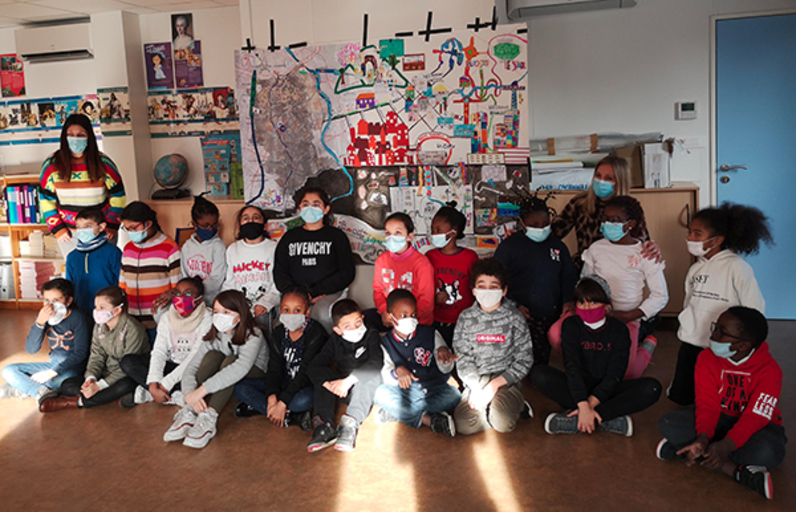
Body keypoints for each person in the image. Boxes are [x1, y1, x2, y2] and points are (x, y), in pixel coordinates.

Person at [657, 307, 785, 500]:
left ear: (742, 346)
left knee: (770, 451)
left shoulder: (770, 370)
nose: (713, 334)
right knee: (667, 422)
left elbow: (755, 417)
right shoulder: (706, 358)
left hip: (756, 426)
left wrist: (727, 445)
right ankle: (735, 471)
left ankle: (687, 451)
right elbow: (707, 404)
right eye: (715, 327)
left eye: (720, 332)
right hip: (718, 420)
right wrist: (702, 437)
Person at [532, 276, 661, 437]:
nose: (587, 307)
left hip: (608, 390)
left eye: (593, 302)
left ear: (606, 305)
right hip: (578, 388)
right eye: (581, 302)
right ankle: (605, 419)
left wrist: (589, 405)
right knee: (539, 374)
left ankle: (577, 420)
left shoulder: (619, 330)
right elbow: (572, 366)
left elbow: (615, 374)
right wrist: (583, 403)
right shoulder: (571, 325)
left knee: (652, 388)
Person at [668, 203, 771, 406]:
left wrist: (747, 342)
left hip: (721, 345)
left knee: (717, 395)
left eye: (697, 234)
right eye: (690, 233)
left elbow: (754, 309)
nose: (690, 239)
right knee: (682, 396)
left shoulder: (737, 267)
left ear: (717, 240)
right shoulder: (695, 269)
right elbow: (689, 302)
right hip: (691, 340)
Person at [577, 195, 668, 379]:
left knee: (628, 372)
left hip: (628, 318)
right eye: (606, 219)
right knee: (558, 335)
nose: (609, 223)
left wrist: (630, 316)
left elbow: (660, 295)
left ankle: (647, 345)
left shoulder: (644, 253)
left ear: (631, 224)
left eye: (616, 220)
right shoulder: (596, 249)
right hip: (595, 315)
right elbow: (585, 281)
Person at [163, 290, 268, 449]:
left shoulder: (253, 334)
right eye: (217, 312)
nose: (220, 316)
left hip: (255, 376)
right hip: (224, 375)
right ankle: (190, 412)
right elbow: (192, 366)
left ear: (239, 315)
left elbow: (240, 368)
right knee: (212, 356)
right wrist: (190, 395)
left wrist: (202, 390)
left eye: (226, 312)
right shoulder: (213, 334)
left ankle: (209, 417)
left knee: (231, 361)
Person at [452, 258, 534, 435]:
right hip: (477, 379)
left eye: (494, 286)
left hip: (505, 380)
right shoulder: (466, 318)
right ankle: (492, 409)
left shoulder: (515, 319)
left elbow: (524, 359)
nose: (487, 291)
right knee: (465, 426)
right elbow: (463, 356)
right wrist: (475, 388)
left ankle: (517, 404)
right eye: (481, 286)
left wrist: (494, 386)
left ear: (504, 291)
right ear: (473, 290)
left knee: (502, 423)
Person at [494, 193, 578, 365]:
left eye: (545, 224)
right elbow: (496, 279)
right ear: (521, 224)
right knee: (516, 358)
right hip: (519, 315)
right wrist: (512, 304)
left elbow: (568, 277)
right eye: (534, 225)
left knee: (540, 362)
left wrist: (567, 301)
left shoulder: (558, 246)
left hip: (549, 315)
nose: (541, 228)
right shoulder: (509, 247)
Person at [39, 286, 149, 412]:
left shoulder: (133, 329)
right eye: (96, 307)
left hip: (124, 375)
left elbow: (129, 366)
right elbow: (96, 356)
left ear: (117, 310)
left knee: (125, 385)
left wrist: (99, 386)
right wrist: (91, 379)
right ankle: (108, 396)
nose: (97, 311)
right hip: (105, 373)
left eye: (102, 308)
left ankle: (77, 401)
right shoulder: (99, 326)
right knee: (67, 385)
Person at [234, 285, 328, 431]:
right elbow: (274, 367)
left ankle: (269, 410)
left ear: (307, 312)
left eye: (297, 310)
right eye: (286, 310)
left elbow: (305, 372)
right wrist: (272, 396)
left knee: (305, 400)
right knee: (240, 387)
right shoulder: (279, 333)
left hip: (305, 385)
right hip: (284, 382)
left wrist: (283, 402)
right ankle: (289, 416)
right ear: (280, 311)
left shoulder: (316, 334)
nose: (291, 315)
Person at [373, 289, 461, 437]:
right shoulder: (385, 343)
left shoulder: (430, 333)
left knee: (454, 395)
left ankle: (397, 414)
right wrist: (398, 371)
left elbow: (446, 369)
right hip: (403, 393)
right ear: (389, 316)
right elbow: (386, 375)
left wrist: (444, 357)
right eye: (403, 315)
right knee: (380, 393)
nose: (410, 319)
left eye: (413, 315)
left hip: (431, 389)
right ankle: (428, 420)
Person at [39, 113, 126, 256]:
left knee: (104, 273)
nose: (75, 139)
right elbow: (46, 199)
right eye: (70, 134)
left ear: (89, 137)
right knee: (76, 275)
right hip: (69, 235)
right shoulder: (52, 165)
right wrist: (58, 229)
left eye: (80, 135)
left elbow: (119, 195)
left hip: (101, 232)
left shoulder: (103, 163)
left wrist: (112, 225)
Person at [119, 276, 212, 408]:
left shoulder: (207, 318)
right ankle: (169, 395)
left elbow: (195, 357)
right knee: (128, 362)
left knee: (204, 379)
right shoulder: (166, 317)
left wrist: (165, 385)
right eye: (177, 293)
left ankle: (158, 394)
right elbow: (159, 352)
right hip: (172, 365)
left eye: (188, 293)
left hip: (194, 370)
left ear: (199, 299)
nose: (181, 297)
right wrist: (153, 383)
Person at [551, 155, 656, 270]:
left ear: (620, 181)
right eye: (598, 176)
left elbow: (643, 243)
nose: (601, 181)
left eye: (608, 178)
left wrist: (652, 248)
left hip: (619, 270)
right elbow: (554, 232)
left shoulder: (631, 208)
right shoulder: (580, 203)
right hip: (585, 270)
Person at [274, 186, 355, 332]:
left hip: (329, 292)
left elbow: (347, 272)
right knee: (282, 322)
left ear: (325, 209)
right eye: (305, 204)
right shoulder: (289, 237)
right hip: (295, 294)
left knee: (322, 315)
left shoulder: (336, 236)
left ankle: (325, 354)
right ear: (299, 208)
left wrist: (317, 291)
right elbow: (280, 271)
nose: (310, 208)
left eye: (316, 204)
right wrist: (298, 294)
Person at [306, 299, 383, 452]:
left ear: (362, 318)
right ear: (338, 330)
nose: (354, 328)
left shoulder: (371, 334)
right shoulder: (335, 340)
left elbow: (376, 361)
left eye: (357, 323)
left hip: (366, 387)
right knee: (323, 376)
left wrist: (349, 381)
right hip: (342, 389)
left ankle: (349, 426)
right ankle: (324, 426)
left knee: (370, 375)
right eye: (347, 326)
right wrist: (329, 384)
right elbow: (314, 366)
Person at [0, 279, 90, 407]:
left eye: (56, 300)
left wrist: (52, 372)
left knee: (57, 381)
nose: (50, 305)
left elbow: (80, 354)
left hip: (71, 368)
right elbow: (31, 349)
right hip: (52, 363)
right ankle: (39, 391)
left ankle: (25, 387)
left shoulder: (78, 318)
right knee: (8, 370)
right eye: (46, 300)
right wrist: (40, 323)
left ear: (68, 301)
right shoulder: (44, 316)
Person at [119, 202, 181, 341]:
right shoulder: (128, 249)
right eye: (127, 229)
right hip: (132, 321)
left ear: (148, 223)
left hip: (158, 322)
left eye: (134, 228)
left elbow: (177, 287)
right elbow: (122, 284)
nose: (130, 232)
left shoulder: (170, 248)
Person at [154, 195, 226, 313]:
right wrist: (183, 293)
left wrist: (193, 292)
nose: (210, 229)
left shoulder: (218, 247)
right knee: (160, 311)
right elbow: (184, 274)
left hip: (209, 300)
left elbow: (217, 280)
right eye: (205, 225)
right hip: (187, 298)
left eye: (214, 226)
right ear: (194, 224)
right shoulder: (187, 246)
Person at [425, 202, 479, 346]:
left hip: (464, 321)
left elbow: (477, 287)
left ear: (453, 231)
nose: (434, 234)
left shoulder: (470, 257)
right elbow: (423, 288)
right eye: (432, 229)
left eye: (438, 230)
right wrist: (433, 299)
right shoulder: (429, 256)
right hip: (436, 320)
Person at [370, 212, 434, 329]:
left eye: (398, 233)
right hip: (390, 317)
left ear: (409, 236)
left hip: (415, 321)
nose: (392, 237)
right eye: (388, 233)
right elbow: (378, 290)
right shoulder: (381, 260)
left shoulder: (421, 263)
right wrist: (385, 312)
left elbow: (427, 302)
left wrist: (404, 319)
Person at [223, 205, 280, 336]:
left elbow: (277, 286)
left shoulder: (274, 248)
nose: (251, 221)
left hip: (266, 304)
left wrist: (265, 303)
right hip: (240, 304)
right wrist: (226, 304)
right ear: (240, 226)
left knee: (260, 317)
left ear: (264, 225)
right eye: (246, 218)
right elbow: (230, 282)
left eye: (256, 218)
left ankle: (267, 355)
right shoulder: (233, 249)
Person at [64, 208, 122, 317]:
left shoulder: (112, 252)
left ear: (101, 227)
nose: (82, 230)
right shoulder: (72, 256)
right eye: (79, 227)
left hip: (107, 310)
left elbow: (122, 281)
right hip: (81, 309)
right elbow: (69, 286)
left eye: (88, 226)